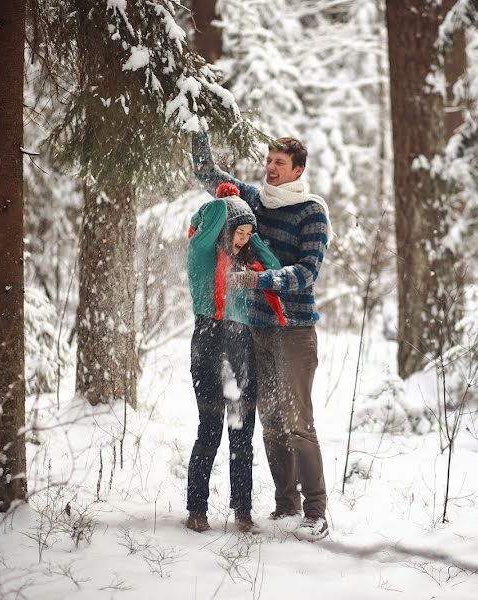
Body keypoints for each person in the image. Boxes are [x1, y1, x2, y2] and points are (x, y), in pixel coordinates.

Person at [192, 129, 334, 540]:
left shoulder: (311, 212)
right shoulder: (252, 199)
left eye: (280, 163)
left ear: (298, 170)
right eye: (268, 160)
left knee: (298, 422)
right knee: (269, 421)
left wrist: (260, 281)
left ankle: (316, 511)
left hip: (294, 330)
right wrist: (198, 127)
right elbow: (208, 174)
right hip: (254, 330)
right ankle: (285, 504)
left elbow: (306, 272)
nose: (270, 168)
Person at [185, 182, 285, 533]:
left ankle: (242, 509)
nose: (242, 240)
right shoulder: (201, 252)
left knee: (242, 429)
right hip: (208, 340)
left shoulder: (245, 264)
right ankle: (196, 509)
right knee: (209, 430)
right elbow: (211, 217)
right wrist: (230, 203)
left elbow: (272, 266)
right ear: (224, 227)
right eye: (238, 232)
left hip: (241, 345)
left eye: (247, 234)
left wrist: (250, 230)